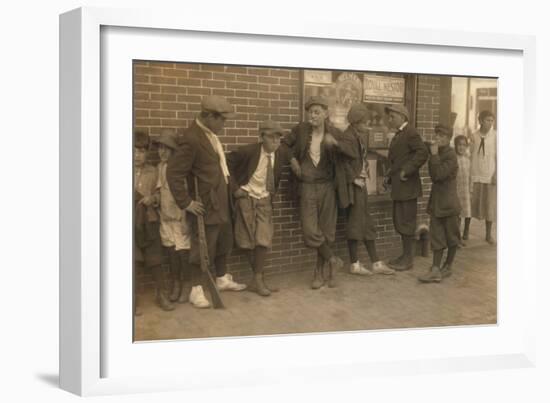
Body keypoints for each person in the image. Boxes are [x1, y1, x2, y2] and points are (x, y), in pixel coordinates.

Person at [166, 95, 246, 309]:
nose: (225, 124)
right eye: (222, 120)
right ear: (209, 116)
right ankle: (196, 290)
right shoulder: (192, 138)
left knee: (223, 243)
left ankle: (221, 278)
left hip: (221, 201)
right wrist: (186, 202)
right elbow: (173, 173)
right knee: (203, 249)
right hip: (206, 205)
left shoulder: (210, 135)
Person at [283, 95, 355, 289]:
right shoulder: (301, 130)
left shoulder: (335, 132)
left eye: (316, 112)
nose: (312, 115)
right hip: (307, 185)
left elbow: (352, 152)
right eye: (310, 112)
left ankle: (320, 272)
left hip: (328, 187)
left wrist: (337, 145)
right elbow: (283, 145)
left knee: (327, 231)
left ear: (326, 113)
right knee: (309, 230)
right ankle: (332, 259)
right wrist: (293, 161)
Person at [226, 121, 291, 296]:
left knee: (263, 238)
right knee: (246, 239)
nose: (275, 142)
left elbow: (291, 155)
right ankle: (258, 279)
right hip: (246, 197)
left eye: (278, 138)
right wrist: (235, 188)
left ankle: (258, 278)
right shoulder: (247, 151)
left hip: (264, 198)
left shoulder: (282, 153)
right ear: (261, 137)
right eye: (271, 138)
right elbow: (224, 164)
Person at [343, 103, 394, 275]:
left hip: (361, 186)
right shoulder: (348, 137)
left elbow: (358, 159)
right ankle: (354, 264)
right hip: (353, 188)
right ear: (356, 122)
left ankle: (375, 262)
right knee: (356, 224)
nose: (368, 125)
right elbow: (340, 163)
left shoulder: (357, 136)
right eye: (365, 122)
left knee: (366, 223)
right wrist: (353, 178)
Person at [134, 130, 174, 313]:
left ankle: (162, 295)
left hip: (149, 219)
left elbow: (160, 193)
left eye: (141, 151)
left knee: (155, 258)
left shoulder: (154, 170)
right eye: (134, 151)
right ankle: (130, 298)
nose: (137, 155)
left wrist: (153, 198)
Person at [385, 104, 429, 271]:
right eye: (389, 117)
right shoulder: (399, 134)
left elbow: (423, 153)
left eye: (392, 116)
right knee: (400, 221)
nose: (390, 119)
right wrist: (389, 177)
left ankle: (408, 259)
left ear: (402, 117)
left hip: (407, 187)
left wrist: (407, 171)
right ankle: (405, 255)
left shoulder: (410, 132)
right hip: (399, 187)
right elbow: (398, 159)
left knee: (406, 222)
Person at [418, 124, 461, 283]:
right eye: (436, 135)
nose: (437, 138)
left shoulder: (451, 155)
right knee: (437, 237)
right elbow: (427, 147)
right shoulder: (438, 152)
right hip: (437, 203)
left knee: (452, 237)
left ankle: (448, 266)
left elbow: (437, 175)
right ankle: (436, 269)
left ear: (448, 138)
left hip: (449, 204)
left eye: (442, 136)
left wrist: (434, 155)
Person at [153, 129, 192, 303]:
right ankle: (176, 283)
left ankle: (186, 284)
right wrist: (155, 200)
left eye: (166, 148)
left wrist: (184, 219)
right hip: (165, 217)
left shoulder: (179, 169)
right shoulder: (160, 167)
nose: (162, 152)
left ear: (174, 151)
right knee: (170, 252)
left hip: (178, 217)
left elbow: (185, 195)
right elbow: (161, 191)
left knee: (183, 252)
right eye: (160, 148)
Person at [470, 110, 497, 244]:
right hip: (475, 174)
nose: (490, 123)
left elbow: (499, 157)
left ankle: (488, 234)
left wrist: (496, 174)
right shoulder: (474, 136)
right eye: (487, 120)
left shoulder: (496, 136)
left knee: (489, 205)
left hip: (489, 175)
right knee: (471, 203)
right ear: (480, 121)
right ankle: (465, 233)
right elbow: (470, 154)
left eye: (492, 120)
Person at [454, 135, 471, 246]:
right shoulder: (454, 159)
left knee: (467, 213)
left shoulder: (467, 159)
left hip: (466, 190)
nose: (461, 147)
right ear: (455, 146)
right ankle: (457, 238)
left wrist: (471, 188)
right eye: (459, 145)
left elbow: (470, 175)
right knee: (458, 215)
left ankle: (465, 233)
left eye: (464, 145)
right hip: (456, 190)